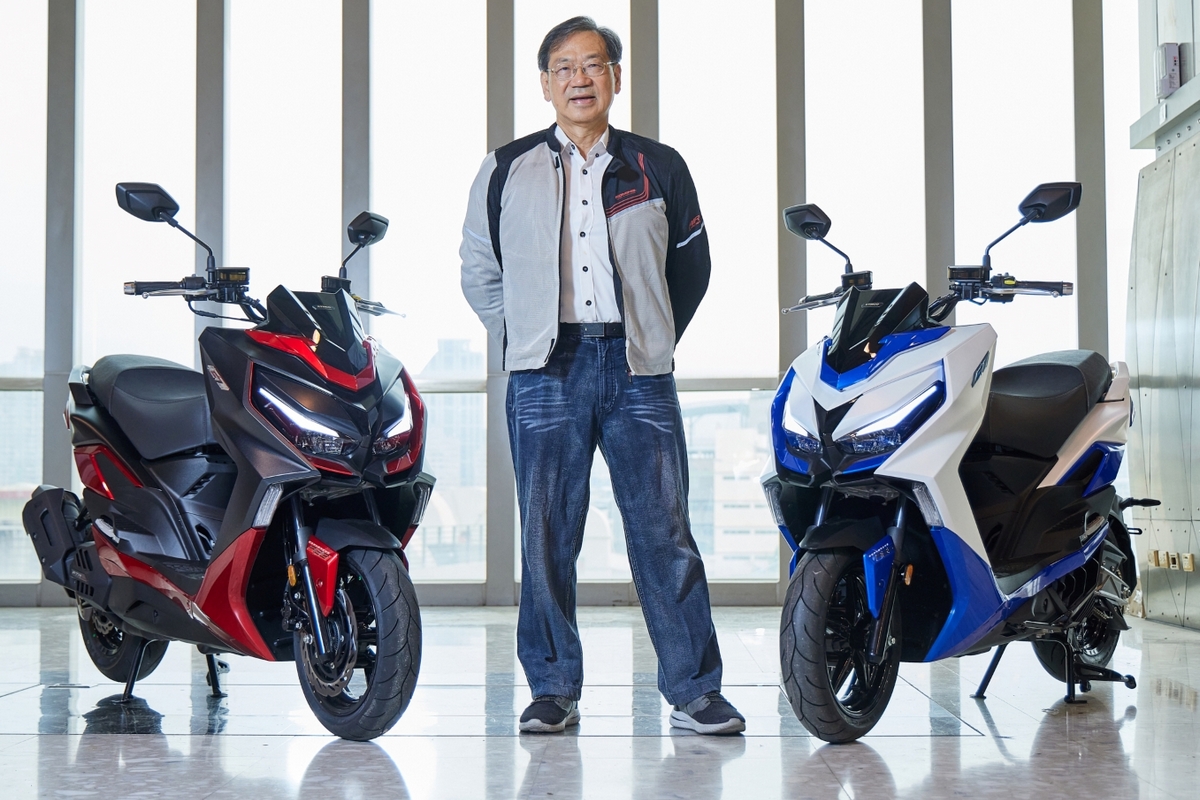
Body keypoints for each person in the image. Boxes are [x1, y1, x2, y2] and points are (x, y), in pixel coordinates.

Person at [459, 16, 744, 736]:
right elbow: (479, 268)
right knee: (546, 533)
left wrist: (653, 333)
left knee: (664, 531)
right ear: (545, 84)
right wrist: (521, 336)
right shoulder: (506, 168)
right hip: (544, 371)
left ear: (616, 76)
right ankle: (552, 688)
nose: (578, 79)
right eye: (564, 67)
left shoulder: (658, 165)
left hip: (637, 370)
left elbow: (692, 266)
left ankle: (695, 690)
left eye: (592, 65)